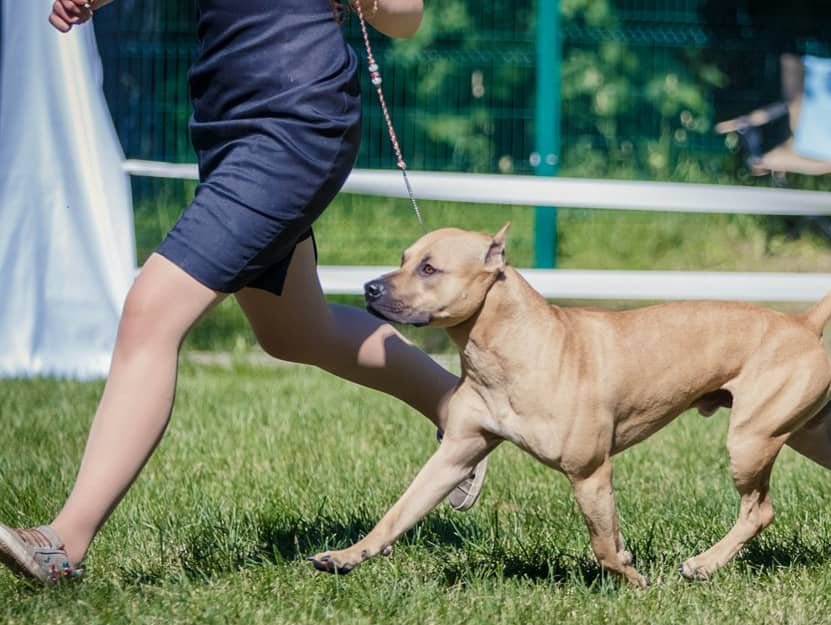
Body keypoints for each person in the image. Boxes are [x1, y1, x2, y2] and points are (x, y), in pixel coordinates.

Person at [0, 0, 487, 585]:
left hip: (296, 121)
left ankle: (62, 545)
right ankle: (464, 411)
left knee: (151, 312)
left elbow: (407, 15)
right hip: (227, 123)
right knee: (294, 330)